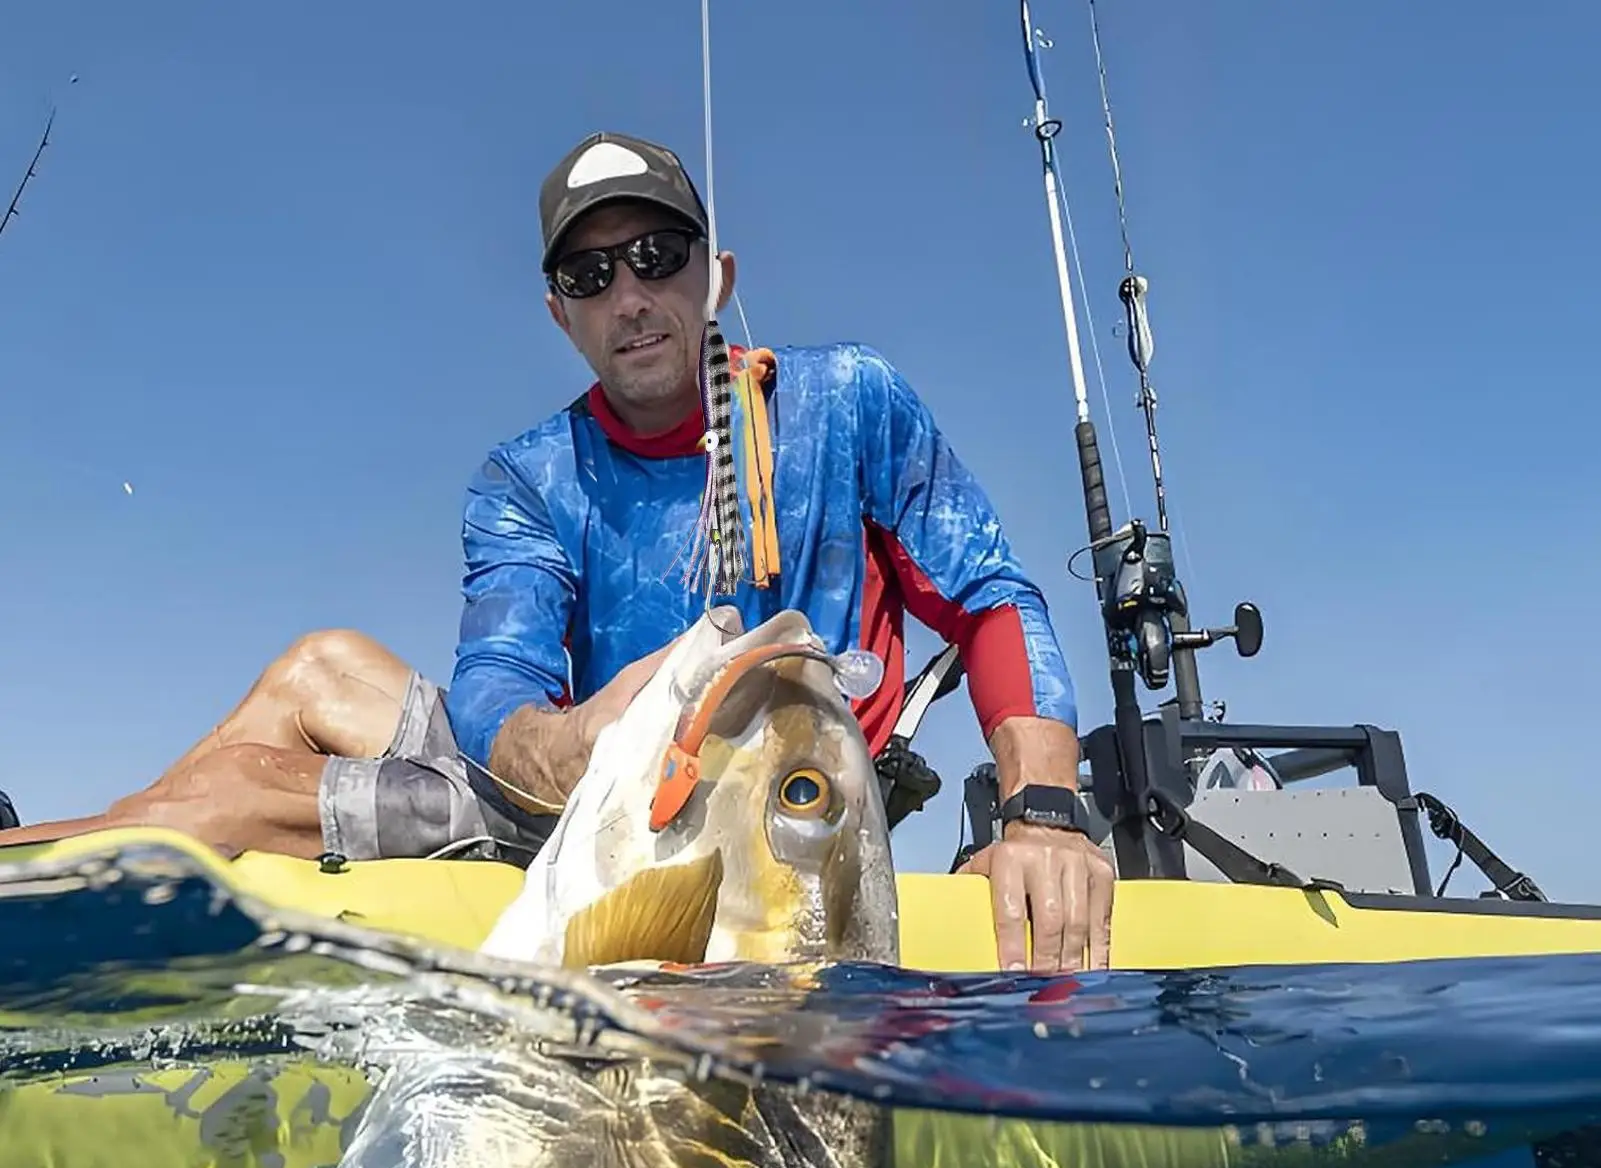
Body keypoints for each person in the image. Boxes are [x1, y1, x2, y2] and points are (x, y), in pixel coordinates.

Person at [3, 131, 1115, 974]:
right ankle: (67, 864)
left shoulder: (848, 401)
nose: (628, 297)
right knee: (319, 665)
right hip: (580, 781)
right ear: (558, 315)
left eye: (655, 255)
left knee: (241, 790)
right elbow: (499, 683)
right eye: (590, 277)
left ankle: (81, 852)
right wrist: (571, 739)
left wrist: (1042, 811)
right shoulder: (527, 475)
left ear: (713, 274)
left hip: (753, 820)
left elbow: (988, 597)